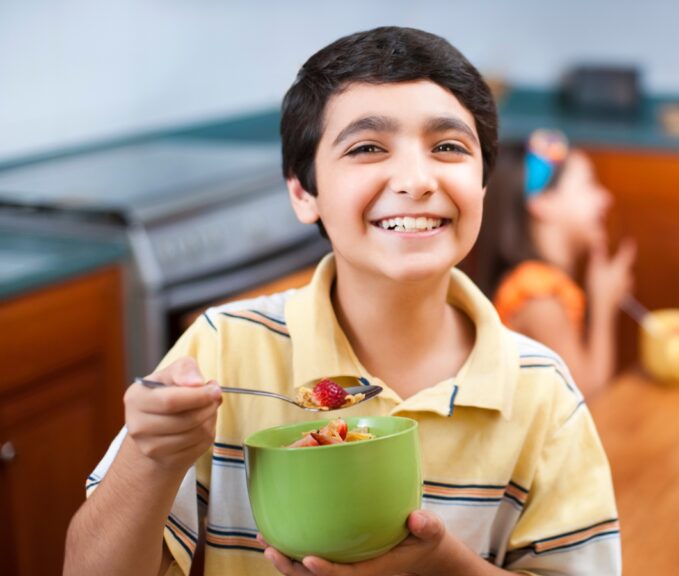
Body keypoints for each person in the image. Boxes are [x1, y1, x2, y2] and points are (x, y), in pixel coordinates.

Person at [65, 27, 621, 576]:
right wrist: (149, 458)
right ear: (304, 192)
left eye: (448, 147)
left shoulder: (543, 392)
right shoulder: (225, 347)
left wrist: (445, 569)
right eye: (367, 147)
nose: (416, 179)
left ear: (481, 184)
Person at [472, 130, 635, 398]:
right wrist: (604, 304)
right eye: (589, 184)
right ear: (543, 202)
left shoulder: (538, 283)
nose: (605, 198)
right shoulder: (539, 297)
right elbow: (588, 398)